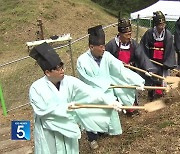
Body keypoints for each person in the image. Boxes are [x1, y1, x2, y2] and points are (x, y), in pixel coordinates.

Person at [29, 42, 121, 154]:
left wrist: (109, 101)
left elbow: (89, 91)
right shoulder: (36, 88)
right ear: (47, 72)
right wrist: (66, 107)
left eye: (61, 66)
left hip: (68, 126)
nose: (62, 70)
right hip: (49, 130)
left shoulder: (68, 81)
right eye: (57, 69)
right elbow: (43, 111)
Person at [77, 25, 145, 148]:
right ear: (91, 47)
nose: (104, 49)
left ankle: (105, 131)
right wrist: (103, 86)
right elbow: (86, 79)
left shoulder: (107, 56)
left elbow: (120, 69)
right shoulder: (82, 61)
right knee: (91, 115)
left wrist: (137, 81)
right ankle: (92, 138)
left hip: (107, 92)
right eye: (101, 47)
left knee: (108, 112)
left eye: (104, 46)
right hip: (91, 93)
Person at [105, 17, 157, 115]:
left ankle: (132, 108)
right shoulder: (111, 45)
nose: (129, 36)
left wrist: (149, 68)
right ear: (120, 34)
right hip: (116, 75)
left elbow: (142, 56)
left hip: (130, 72)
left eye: (130, 34)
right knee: (118, 91)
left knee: (132, 89)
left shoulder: (133, 44)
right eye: (127, 34)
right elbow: (106, 60)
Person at [140, 11, 176, 101]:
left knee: (162, 78)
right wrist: (146, 59)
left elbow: (170, 49)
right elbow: (143, 46)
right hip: (152, 59)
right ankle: (150, 94)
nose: (161, 26)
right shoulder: (149, 33)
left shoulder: (168, 35)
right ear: (155, 24)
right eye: (159, 24)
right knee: (151, 77)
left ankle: (161, 96)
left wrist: (167, 62)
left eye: (163, 24)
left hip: (163, 60)